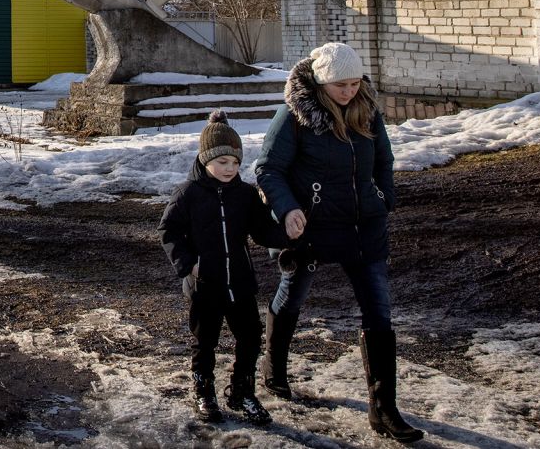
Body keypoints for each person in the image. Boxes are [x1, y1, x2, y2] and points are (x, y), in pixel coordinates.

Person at [254, 42, 424, 444]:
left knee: (379, 313)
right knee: (293, 294)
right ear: (321, 82)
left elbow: (384, 159)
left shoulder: (368, 109)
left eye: (354, 83)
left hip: (365, 227)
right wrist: (289, 209)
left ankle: (384, 408)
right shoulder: (294, 117)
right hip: (311, 230)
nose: (349, 91)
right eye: (340, 85)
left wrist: (383, 197)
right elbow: (268, 169)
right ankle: (273, 366)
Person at [159, 111, 283, 425]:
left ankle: (242, 391)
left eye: (235, 163)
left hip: (239, 282)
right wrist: (188, 265)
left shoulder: (245, 194)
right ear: (204, 160)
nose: (229, 169)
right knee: (205, 341)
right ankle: (204, 392)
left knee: (251, 338)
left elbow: (262, 230)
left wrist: (288, 233)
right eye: (221, 162)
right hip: (205, 284)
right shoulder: (188, 194)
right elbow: (168, 231)